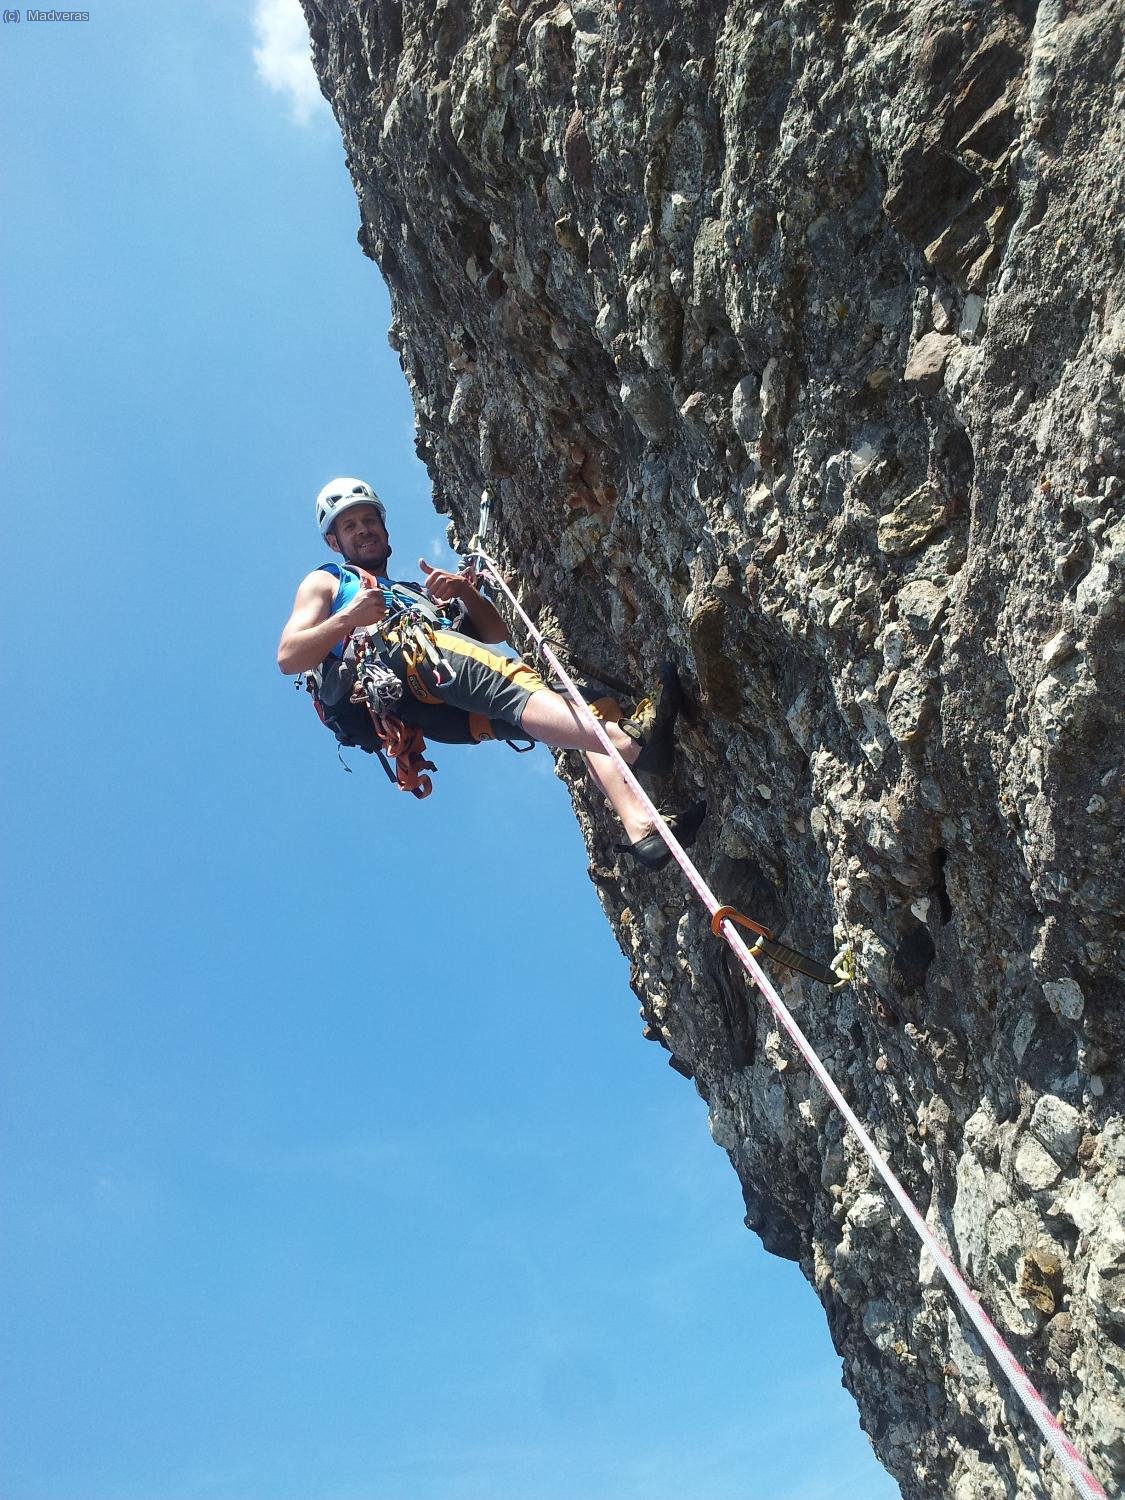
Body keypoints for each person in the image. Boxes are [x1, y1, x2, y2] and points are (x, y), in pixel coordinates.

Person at [277, 477, 705, 868]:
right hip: (407, 664)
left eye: (369, 520)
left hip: (441, 708)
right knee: (518, 685)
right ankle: (632, 742)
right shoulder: (329, 580)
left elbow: (492, 632)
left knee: (578, 706)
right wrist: (347, 617)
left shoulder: (409, 592)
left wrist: (462, 591)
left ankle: (642, 830)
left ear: (385, 530)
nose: (363, 529)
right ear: (335, 542)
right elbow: (289, 655)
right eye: (349, 525)